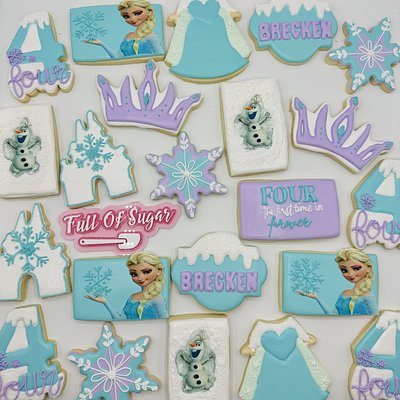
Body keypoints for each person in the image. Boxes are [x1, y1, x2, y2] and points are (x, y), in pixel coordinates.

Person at [86, 251, 168, 319]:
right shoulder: (132, 297)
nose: (140, 278)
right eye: (134, 274)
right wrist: (105, 302)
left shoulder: (157, 299)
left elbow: (164, 321)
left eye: (146, 272)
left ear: (159, 271)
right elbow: (120, 319)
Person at [297, 248, 377, 315]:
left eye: (356, 268)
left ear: (368, 268)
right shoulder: (344, 294)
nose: (350, 274)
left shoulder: (368, 297)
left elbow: (375, 319)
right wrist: (316, 298)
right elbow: (332, 315)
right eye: (344, 270)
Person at [84, 0, 163, 58]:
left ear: (149, 12)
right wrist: (102, 44)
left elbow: (160, 57)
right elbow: (118, 58)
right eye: (126, 16)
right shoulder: (128, 36)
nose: (132, 19)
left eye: (137, 13)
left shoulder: (151, 37)